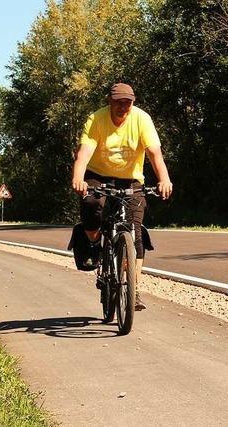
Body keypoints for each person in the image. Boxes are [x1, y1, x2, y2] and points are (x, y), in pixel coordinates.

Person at [71, 83, 173, 310]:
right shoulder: (96, 119)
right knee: (92, 204)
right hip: (98, 175)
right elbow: (84, 153)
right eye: (118, 102)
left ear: (133, 102)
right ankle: (93, 245)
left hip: (131, 179)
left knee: (135, 233)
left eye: (127, 102)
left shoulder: (142, 119)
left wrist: (164, 180)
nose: (122, 107)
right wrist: (79, 178)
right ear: (110, 101)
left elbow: (155, 154)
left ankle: (133, 289)